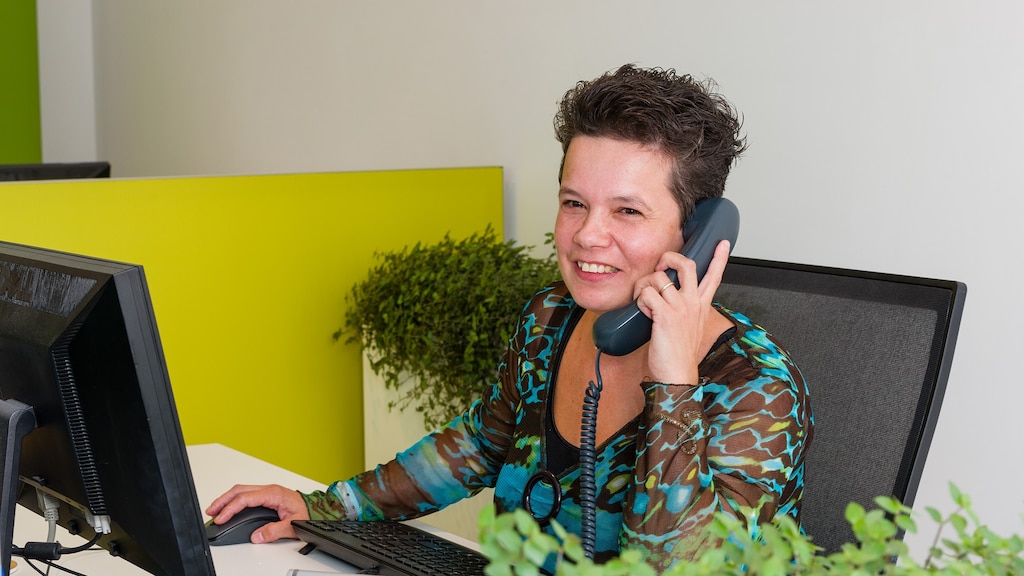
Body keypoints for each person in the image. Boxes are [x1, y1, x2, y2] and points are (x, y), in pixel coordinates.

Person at [207, 64, 813, 571]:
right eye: (574, 203)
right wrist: (323, 507)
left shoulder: (759, 390)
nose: (587, 236)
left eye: (627, 211)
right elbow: (478, 444)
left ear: (699, 236)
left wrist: (675, 380)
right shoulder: (553, 315)